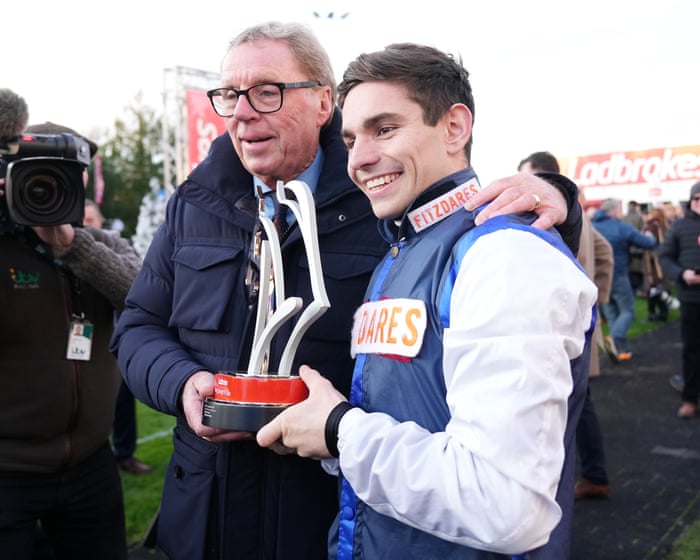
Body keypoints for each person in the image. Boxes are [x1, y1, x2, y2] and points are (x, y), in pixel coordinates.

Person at [110, 22, 583, 560]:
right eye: (229, 95)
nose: (242, 112)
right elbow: (137, 326)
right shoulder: (194, 203)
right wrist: (181, 382)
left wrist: (556, 201)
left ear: (322, 102)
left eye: (266, 92)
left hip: (328, 510)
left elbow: (476, 228)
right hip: (209, 505)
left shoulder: (384, 201)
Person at [257, 43, 597, 559]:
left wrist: (338, 429)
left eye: (384, 129)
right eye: (351, 139)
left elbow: (505, 505)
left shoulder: (503, 254)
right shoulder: (403, 245)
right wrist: (328, 425)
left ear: (455, 128)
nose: (359, 159)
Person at [0, 110, 137, 558]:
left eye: (64, 176)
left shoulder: (102, 244)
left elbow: (146, 299)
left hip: (90, 463)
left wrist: (72, 245)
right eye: (37, 177)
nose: (48, 187)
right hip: (8, 471)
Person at [519, 151, 613, 499]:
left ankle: (587, 477)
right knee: (578, 402)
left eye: (524, 175)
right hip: (577, 321)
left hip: (557, 324)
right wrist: (597, 296)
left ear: (540, 176)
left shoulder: (546, 211)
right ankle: (592, 474)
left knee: (570, 407)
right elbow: (605, 253)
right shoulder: (578, 213)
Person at [83, 199, 152, 474]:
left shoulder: (111, 245)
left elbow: (138, 290)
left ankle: (124, 454)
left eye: (90, 220)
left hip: (113, 344)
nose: (86, 225)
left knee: (122, 401)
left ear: (101, 221)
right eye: (82, 219)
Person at [592, 198, 657, 361]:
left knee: (612, 314)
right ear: (615, 211)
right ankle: (614, 338)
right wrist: (650, 236)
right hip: (618, 274)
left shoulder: (591, 227)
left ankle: (621, 350)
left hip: (599, 277)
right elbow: (647, 243)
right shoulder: (621, 227)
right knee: (628, 311)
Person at [658, 181, 700, 419]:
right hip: (691, 298)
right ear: (691, 200)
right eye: (697, 199)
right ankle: (690, 399)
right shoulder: (679, 226)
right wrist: (682, 275)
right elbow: (665, 257)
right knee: (691, 350)